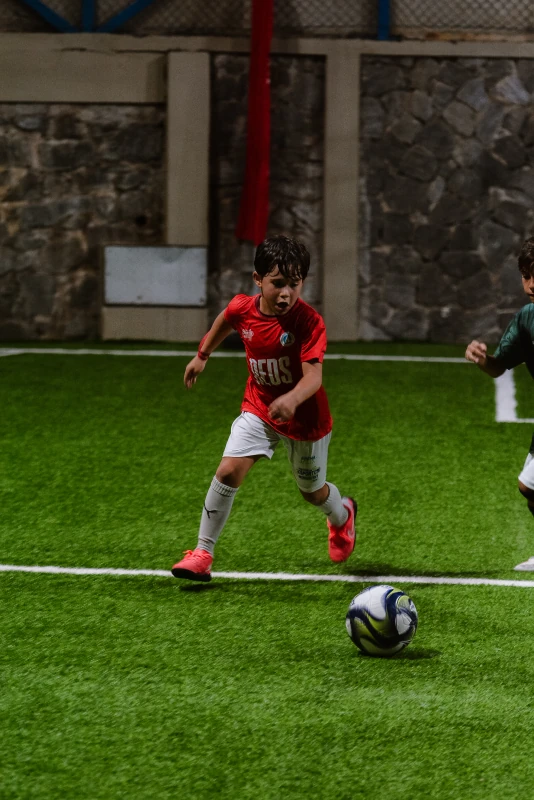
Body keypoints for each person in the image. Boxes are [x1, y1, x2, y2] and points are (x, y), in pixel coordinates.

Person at [172, 234, 357, 582]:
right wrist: (202, 355)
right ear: (258, 279)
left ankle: (343, 516)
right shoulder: (244, 308)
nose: (286, 293)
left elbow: (313, 378)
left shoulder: (309, 322)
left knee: (312, 493)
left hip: (305, 420)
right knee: (228, 471)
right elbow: (225, 319)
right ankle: (202, 553)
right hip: (259, 407)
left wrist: (292, 399)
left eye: (294, 284)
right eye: (278, 283)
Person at [465, 235, 534, 571]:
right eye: (526, 275)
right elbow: (499, 366)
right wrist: (483, 360)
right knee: (530, 488)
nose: (532, 284)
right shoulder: (526, 319)